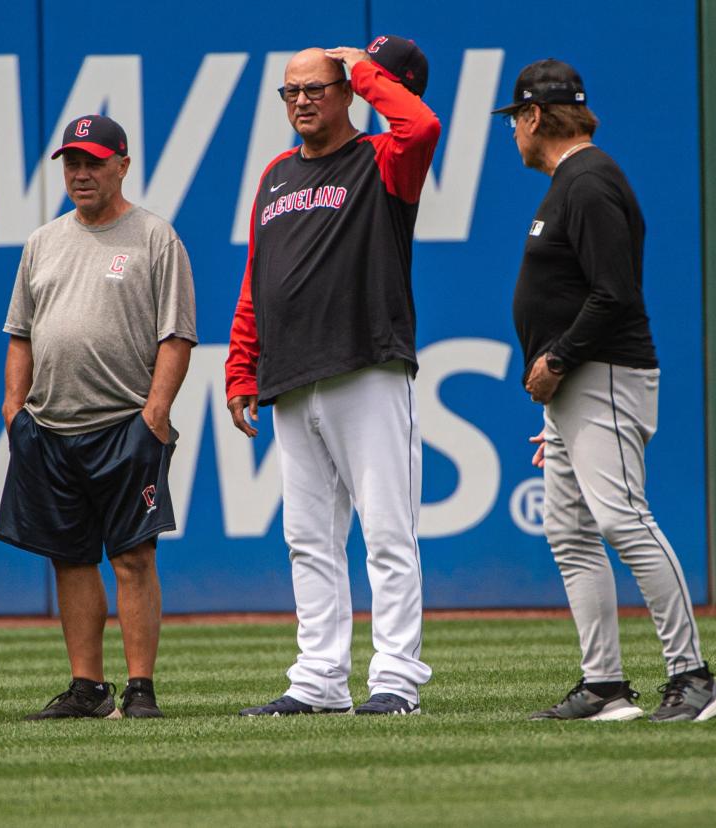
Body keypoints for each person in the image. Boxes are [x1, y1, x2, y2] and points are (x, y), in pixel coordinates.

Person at [494, 59, 716, 722]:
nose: (512, 133)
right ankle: (605, 686)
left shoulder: (590, 180)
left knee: (623, 518)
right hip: (574, 390)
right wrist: (557, 401)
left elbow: (615, 293)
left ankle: (693, 676)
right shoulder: (572, 181)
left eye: (515, 120)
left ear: (535, 116)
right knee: (568, 530)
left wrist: (560, 360)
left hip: (603, 374)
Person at [226, 37, 439, 716]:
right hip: (290, 375)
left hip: (366, 364)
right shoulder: (275, 174)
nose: (302, 101)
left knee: (386, 533)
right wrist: (240, 363)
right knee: (308, 541)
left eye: (318, 87)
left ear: (348, 91)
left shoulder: (382, 160)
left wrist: (366, 68)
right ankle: (318, 682)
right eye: (291, 90)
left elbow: (422, 124)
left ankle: (395, 681)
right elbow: (258, 278)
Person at [0, 114, 196, 721]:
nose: (80, 173)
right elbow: (20, 334)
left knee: (134, 557)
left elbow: (177, 335)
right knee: (71, 557)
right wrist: (14, 409)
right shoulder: (43, 242)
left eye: (93, 162)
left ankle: (140, 689)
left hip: (123, 424)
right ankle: (88, 688)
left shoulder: (155, 238)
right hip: (51, 426)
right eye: (71, 163)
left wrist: (155, 413)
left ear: (122, 165)